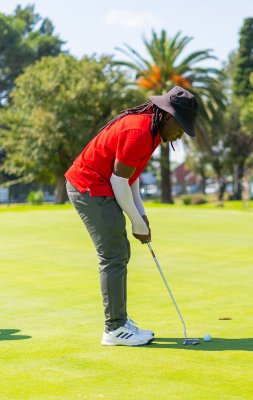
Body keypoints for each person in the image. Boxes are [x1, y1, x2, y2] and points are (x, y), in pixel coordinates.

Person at [65, 86, 199, 346]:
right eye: (181, 126)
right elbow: (119, 182)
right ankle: (114, 329)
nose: (181, 135)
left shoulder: (150, 132)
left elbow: (131, 179)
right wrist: (136, 221)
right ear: (168, 116)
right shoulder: (138, 132)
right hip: (89, 187)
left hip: (102, 185)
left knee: (119, 252)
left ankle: (119, 321)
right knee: (114, 254)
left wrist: (141, 215)